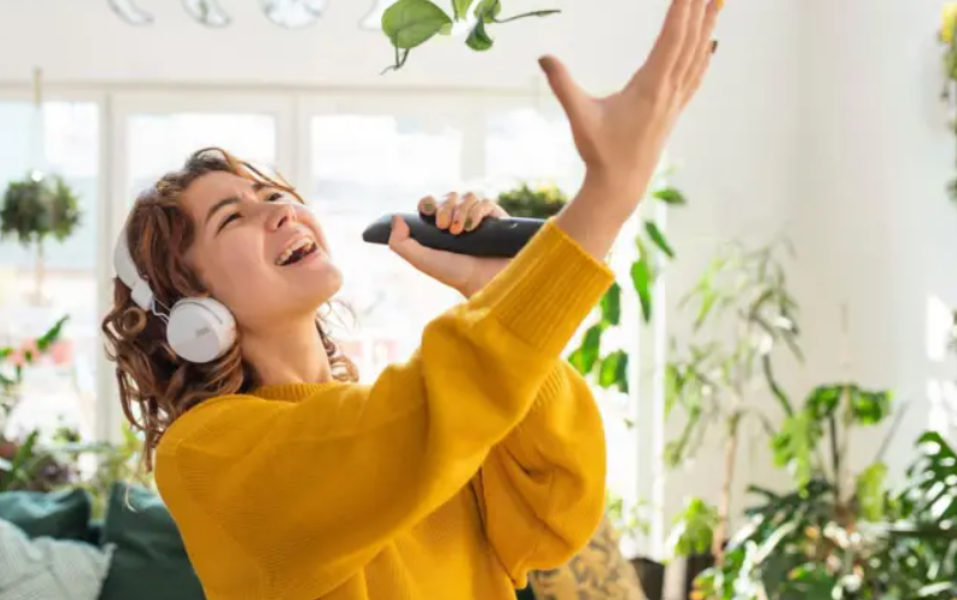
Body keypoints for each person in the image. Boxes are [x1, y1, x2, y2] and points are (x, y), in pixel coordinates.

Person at [101, 0, 720, 597]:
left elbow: (553, 519)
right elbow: (407, 428)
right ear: (190, 304)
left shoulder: (415, 423)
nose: (278, 212)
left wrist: (493, 288)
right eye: (232, 217)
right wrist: (605, 198)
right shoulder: (205, 455)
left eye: (272, 195)